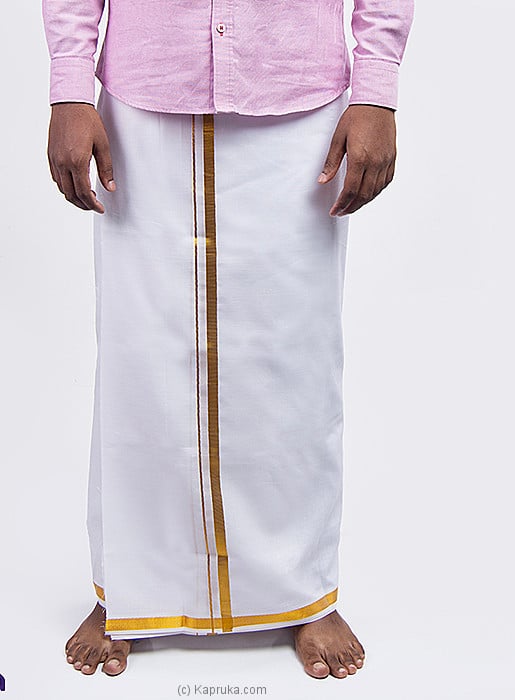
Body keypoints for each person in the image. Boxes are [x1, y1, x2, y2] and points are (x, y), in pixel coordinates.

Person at [42, 0, 414, 680]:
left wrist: (377, 92)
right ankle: (126, 591)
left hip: (300, 97)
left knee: (294, 358)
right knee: (139, 357)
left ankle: (304, 590)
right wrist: (69, 84)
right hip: (143, 96)